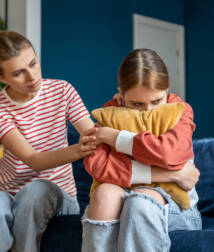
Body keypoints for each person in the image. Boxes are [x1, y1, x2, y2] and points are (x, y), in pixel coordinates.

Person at [0, 27, 97, 252]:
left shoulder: (63, 91)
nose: (32, 77)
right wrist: (78, 150)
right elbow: (33, 159)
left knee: (34, 192)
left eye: (33, 63)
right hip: (9, 192)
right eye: (18, 73)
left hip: (58, 194)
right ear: (1, 77)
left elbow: (94, 135)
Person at [81, 49, 202, 252]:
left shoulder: (181, 110)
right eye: (136, 104)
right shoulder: (109, 112)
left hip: (175, 207)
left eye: (156, 102)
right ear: (121, 96)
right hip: (123, 198)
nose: (148, 113)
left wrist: (114, 137)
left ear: (167, 92)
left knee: (139, 201)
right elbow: (98, 166)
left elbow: (168, 153)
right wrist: (171, 173)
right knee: (104, 193)